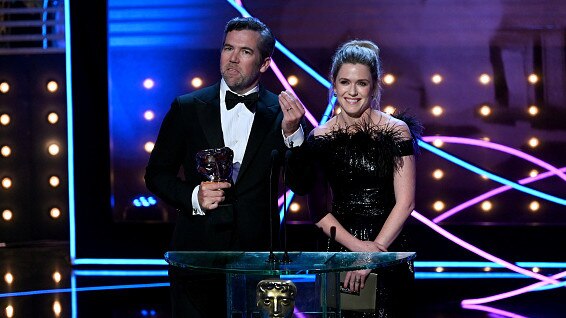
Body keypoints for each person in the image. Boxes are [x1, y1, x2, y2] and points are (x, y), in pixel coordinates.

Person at [144, 17, 305, 317]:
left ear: (265, 63)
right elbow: (156, 175)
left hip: (258, 256)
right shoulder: (188, 107)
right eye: (228, 48)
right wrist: (195, 196)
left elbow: (303, 184)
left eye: (245, 52)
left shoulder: (281, 113)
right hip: (197, 253)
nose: (232, 58)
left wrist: (294, 134)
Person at [288, 40, 422, 317]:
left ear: (373, 87)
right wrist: (357, 251)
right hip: (339, 247)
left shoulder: (396, 130)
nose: (352, 91)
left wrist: (372, 255)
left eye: (361, 83)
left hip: (388, 243)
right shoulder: (320, 137)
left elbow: (405, 203)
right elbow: (318, 211)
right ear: (334, 85)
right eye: (344, 82)